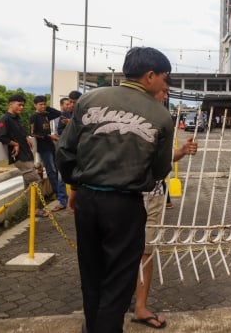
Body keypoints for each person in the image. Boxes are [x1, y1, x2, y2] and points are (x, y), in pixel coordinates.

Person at [56, 47, 174, 333]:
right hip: (124, 206)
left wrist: (76, 185)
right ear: (149, 75)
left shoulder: (89, 100)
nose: (165, 84)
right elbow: (160, 170)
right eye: (164, 78)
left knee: (92, 274)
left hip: (86, 201)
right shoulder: (160, 116)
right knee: (118, 280)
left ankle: (92, 327)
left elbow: (65, 151)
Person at [132, 81, 198, 329]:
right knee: (123, 249)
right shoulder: (140, 115)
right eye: (163, 88)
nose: (166, 93)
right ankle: (119, 300)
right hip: (129, 193)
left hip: (155, 193)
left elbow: (166, 157)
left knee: (146, 249)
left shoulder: (163, 119)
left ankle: (140, 305)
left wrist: (181, 151)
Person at [29, 96, 66, 213]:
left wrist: (47, 107)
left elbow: (58, 113)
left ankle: (61, 196)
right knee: (51, 171)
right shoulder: (34, 116)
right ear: (35, 105)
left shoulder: (45, 114)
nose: (43, 106)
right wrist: (48, 136)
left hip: (51, 145)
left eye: (44, 104)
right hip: (43, 147)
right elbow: (33, 132)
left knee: (58, 170)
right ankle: (60, 196)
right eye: (40, 104)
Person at [0, 95, 40, 188]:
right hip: (19, 157)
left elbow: (20, 131)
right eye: (19, 105)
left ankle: (29, 202)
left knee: (29, 185)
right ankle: (31, 202)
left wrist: (26, 136)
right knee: (35, 182)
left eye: (23, 105)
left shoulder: (16, 118)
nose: (22, 107)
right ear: (11, 104)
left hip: (26, 154)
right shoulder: (5, 119)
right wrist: (15, 144)